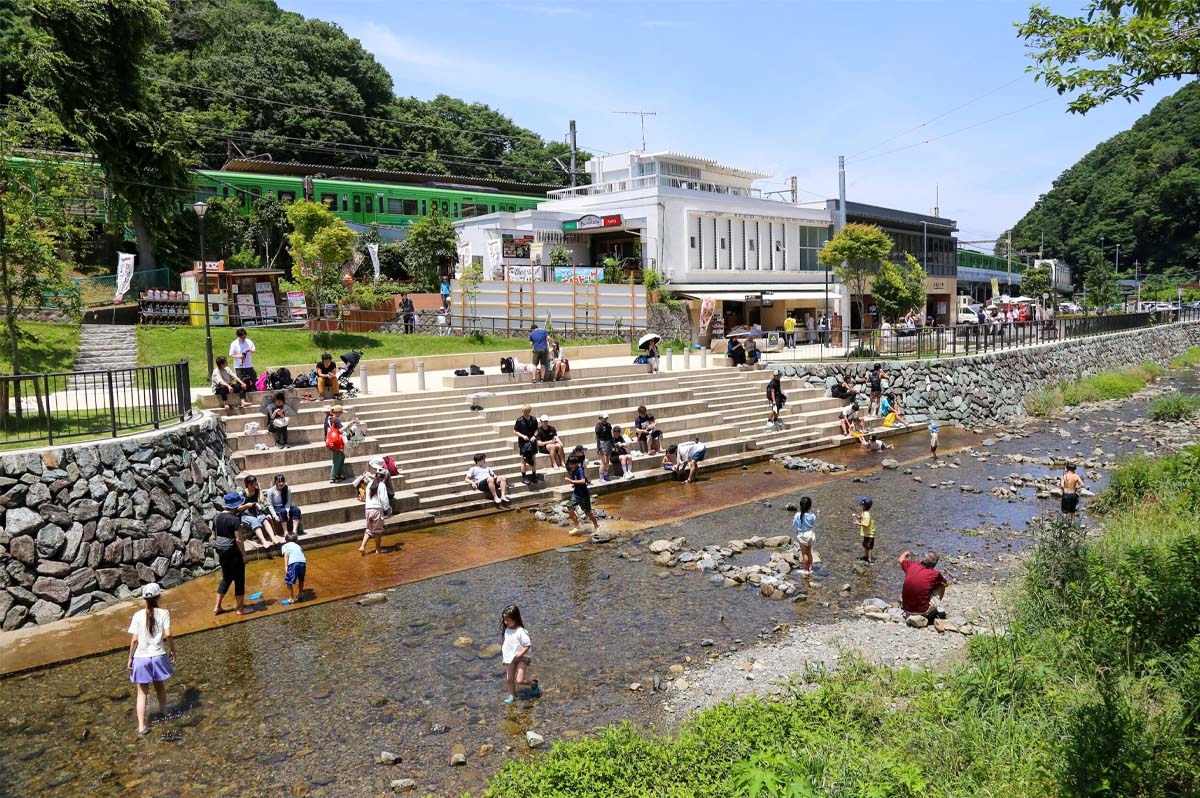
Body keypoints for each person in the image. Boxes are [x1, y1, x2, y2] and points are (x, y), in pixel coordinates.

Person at [127, 583, 175, 735]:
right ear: (158, 596)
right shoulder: (164, 613)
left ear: (144, 599)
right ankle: (164, 712)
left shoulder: (137, 615)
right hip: (158, 656)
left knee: (142, 693)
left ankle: (142, 726)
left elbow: (134, 640)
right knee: (159, 686)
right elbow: (168, 634)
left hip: (141, 658)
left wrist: (130, 658)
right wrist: (172, 650)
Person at [212, 493, 248, 616]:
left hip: (222, 553)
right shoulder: (234, 520)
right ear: (236, 506)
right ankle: (240, 608)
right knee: (239, 580)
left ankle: (217, 607)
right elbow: (238, 539)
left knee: (226, 579)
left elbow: (214, 536)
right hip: (234, 554)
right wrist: (244, 555)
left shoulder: (216, 517)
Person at [500, 605, 539, 703]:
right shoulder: (507, 629)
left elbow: (527, 645)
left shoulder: (521, 631)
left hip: (522, 657)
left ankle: (533, 683)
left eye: (507, 620)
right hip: (510, 657)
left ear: (515, 619)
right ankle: (512, 695)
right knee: (509, 679)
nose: (505, 622)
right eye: (504, 619)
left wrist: (520, 655)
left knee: (519, 680)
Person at [898, 550, 948, 620]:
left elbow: (900, 559)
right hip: (922, 611)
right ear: (935, 564)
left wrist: (906, 553)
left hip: (906, 608)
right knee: (941, 586)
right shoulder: (935, 574)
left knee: (913, 584)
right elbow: (945, 584)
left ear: (922, 559)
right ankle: (932, 611)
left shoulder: (911, 565)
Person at [237, 474, 283, 548]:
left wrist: (260, 489)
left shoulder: (257, 491)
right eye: (252, 485)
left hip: (256, 512)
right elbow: (238, 508)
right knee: (255, 521)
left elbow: (262, 501)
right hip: (246, 514)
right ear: (248, 484)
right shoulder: (242, 494)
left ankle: (273, 538)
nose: (254, 486)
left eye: (255, 484)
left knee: (264, 520)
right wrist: (247, 505)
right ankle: (263, 541)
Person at [564, 450, 601, 535]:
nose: (571, 466)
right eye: (570, 464)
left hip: (583, 495)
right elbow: (581, 480)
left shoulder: (579, 470)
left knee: (588, 513)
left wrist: (571, 481)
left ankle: (596, 526)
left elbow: (583, 481)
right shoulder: (573, 470)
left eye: (572, 464)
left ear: (577, 464)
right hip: (576, 494)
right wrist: (574, 484)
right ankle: (577, 526)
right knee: (569, 507)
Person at [359, 467, 391, 556]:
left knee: (369, 529)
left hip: (368, 509)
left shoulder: (369, 484)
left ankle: (362, 546)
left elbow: (366, 497)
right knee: (378, 531)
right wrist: (388, 509)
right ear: (383, 477)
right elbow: (384, 499)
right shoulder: (382, 485)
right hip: (377, 510)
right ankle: (378, 550)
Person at [325, 405, 357, 483]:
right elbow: (340, 430)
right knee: (337, 459)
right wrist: (349, 424)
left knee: (341, 457)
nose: (342, 414)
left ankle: (339, 474)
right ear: (338, 412)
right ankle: (333, 477)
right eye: (341, 412)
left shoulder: (328, 418)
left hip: (330, 441)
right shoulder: (336, 419)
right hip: (335, 442)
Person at [514, 404, 541, 485]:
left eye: (526, 411)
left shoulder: (533, 419)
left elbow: (536, 430)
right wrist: (523, 436)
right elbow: (515, 431)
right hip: (523, 443)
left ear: (529, 411)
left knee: (533, 458)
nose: (525, 413)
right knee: (524, 459)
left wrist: (534, 436)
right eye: (523, 411)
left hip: (532, 442)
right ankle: (524, 477)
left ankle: (534, 475)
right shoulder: (519, 420)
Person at [280, 531, 306, 606]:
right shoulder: (298, 546)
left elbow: (286, 555)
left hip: (293, 563)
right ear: (296, 540)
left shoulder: (285, 546)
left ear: (286, 540)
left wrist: (286, 566)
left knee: (288, 580)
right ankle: (300, 594)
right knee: (301, 579)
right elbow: (302, 554)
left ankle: (291, 598)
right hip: (302, 562)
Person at [792, 496, 816, 575]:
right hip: (810, 534)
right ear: (810, 506)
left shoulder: (797, 515)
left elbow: (795, 524)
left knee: (804, 554)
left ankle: (806, 570)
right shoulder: (812, 515)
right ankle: (810, 568)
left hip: (802, 535)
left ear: (800, 505)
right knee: (809, 552)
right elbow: (812, 523)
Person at [853, 495, 877, 564]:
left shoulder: (867, 514)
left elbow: (866, 524)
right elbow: (862, 518)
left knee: (869, 546)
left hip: (870, 534)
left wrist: (858, 523)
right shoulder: (864, 513)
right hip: (867, 533)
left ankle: (869, 559)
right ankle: (866, 556)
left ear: (864, 506)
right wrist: (857, 516)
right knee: (865, 545)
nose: (860, 504)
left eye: (861, 504)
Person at [594, 412, 614, 482]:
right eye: (604, 418)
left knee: (607, 461)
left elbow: (610, 436)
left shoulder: (608, 425)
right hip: (602, 443)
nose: (605, 419)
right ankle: (601, 477)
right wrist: (599, 448)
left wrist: (613, 445)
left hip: (608, 442)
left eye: (606, 418)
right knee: (604, 461)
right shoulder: (598, 426)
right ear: (600, 418)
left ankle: (605, 475)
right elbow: (597, 438)